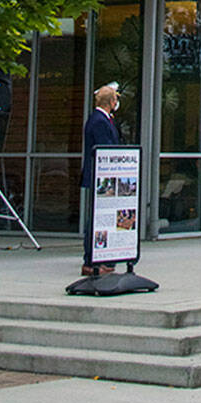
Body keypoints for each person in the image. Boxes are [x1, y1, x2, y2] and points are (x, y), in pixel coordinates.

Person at [81, 82, 121, 274]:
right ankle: (91, 261)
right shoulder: (98, 121)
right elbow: (106, 150)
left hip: (104, 177)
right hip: (100, 177)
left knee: (103, 217)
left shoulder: (104, 119)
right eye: (116, 99)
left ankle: (103, 257)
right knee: (97, 218)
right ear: (111, 101)